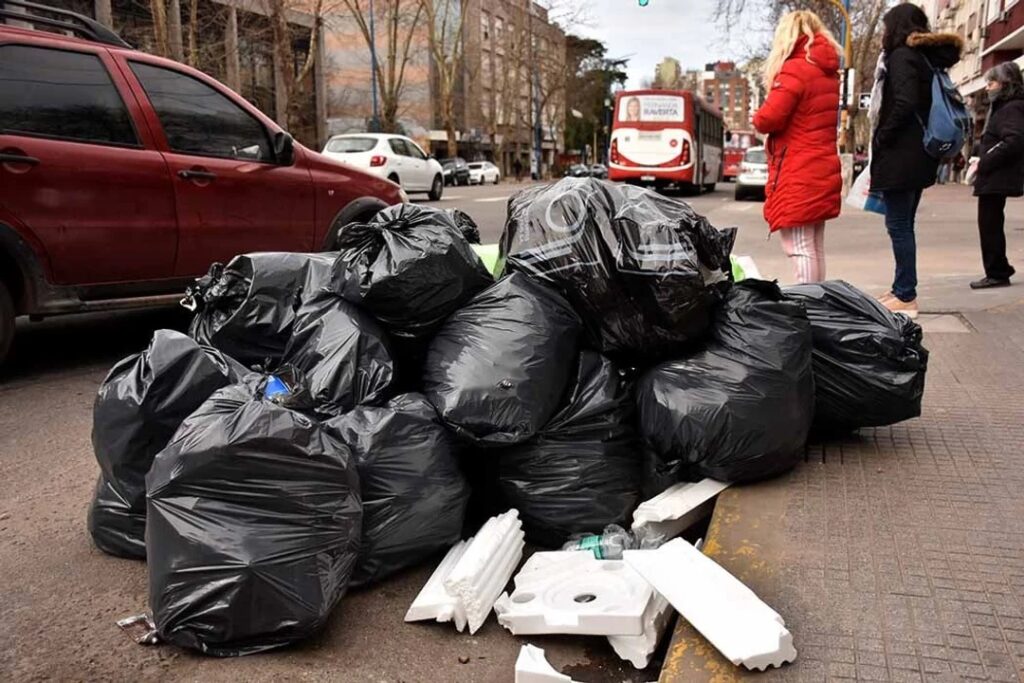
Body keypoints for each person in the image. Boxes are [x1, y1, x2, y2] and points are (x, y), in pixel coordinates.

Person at [870, 4, 962, 318]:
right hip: (919, 154)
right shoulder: (925, 59)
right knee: (903, 224)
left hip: (902, 155)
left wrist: (883, 135)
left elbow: (905, 102)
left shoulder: (902, 57)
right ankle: (901, 288)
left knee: (898, 225)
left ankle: (906, 295)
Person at [752, 10, 842, 284]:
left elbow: (768, 118)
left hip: (799, 170)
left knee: (799, 247)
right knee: (813, 246)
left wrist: (755, 116)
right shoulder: (826, 71)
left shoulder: (796, 68)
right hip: (821, 166)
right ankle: (818, 303)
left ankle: (809, 308)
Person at [970, 61, 1023, 288]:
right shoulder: (1005, 107)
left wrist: (986, 161)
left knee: (989, 223)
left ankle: (997, 272)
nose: (988, 87)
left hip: (997, 176)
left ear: (1004, 84)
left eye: (991, 83)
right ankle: (998, 268)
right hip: (995, 175)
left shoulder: (1011, 108)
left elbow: (1014, 140)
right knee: (990, 222)